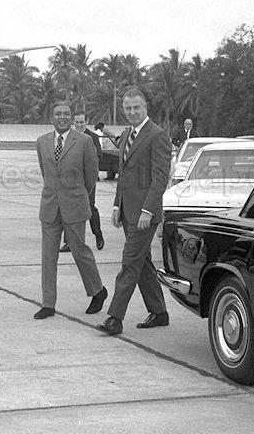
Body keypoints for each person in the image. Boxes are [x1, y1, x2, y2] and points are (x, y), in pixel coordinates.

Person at [97, 88, 171, 335]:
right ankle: (159, 312)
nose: (131, 112)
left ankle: (114, 319)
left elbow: (160, 178)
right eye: (127, 108)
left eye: (136, 107)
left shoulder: (157, 135)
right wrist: (117, 205)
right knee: (142, 263)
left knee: (130, 263)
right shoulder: (127, 134)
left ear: (145, 106)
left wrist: (148, 211)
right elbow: (124, 175)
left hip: (144, 215)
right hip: (128, 212)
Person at [33, 101, 108, 320]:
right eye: (58, 114)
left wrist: (76, 194)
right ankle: (48, 304)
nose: (62, 117)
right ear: (51, 117)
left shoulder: (84, 141)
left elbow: (91, 175)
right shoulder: (41, 142)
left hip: (74, 205)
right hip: (49, 207)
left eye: (66, 114)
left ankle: (97, 291)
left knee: (79, 250)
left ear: (72, 117)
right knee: (48, 256)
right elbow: (46, 172)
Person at [59, 112, 104, 251]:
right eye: (77, 122)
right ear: (73, 122)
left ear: (86, 122)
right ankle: (69, 242)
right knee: (69, 209)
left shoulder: (93, 137)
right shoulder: (67, 136)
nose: (79, 125)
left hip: (88, 180)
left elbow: (98, 157)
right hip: (71, 180)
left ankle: (98, 235)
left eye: (81, 122)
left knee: (90, 207)